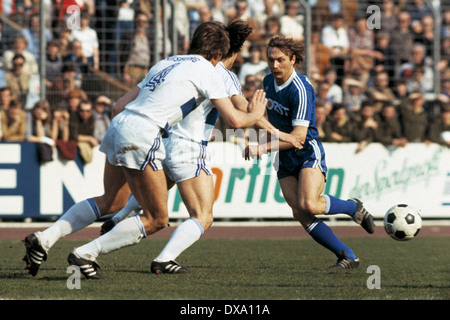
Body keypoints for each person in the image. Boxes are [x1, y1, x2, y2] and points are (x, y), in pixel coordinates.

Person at [22, 21, 268, 278]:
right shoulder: (210, 71)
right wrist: (257, 113)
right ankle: (86, 254)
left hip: (120, 124)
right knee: (157, 219)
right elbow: (235, 121)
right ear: (218, 55)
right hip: (144, 133)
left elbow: (118, 106)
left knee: (111, 200)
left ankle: (44, 238)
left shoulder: (166, 62)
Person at [74, 19, 300, 276]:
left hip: (162, 140)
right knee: (202, 215)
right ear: (231, 53)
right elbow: (244, 112)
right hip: (190, 147)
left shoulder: (178, 64)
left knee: (159, 189)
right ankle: (162, 258)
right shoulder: (222, 75)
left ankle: (119, 216)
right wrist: (279, 132)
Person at [244, 36, 375, 270]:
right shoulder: (267, 81)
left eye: (280, 60)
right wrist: (255, 119)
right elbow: (266, 122)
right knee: (300, 212)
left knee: (311, 205)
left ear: (293, 59)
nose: (274, 65)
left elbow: (298, 138)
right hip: (283, 155)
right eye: (271, 60)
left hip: (306, 152)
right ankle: (347, 255)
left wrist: (262, 146)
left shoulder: (301, 89)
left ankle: (353, 208)